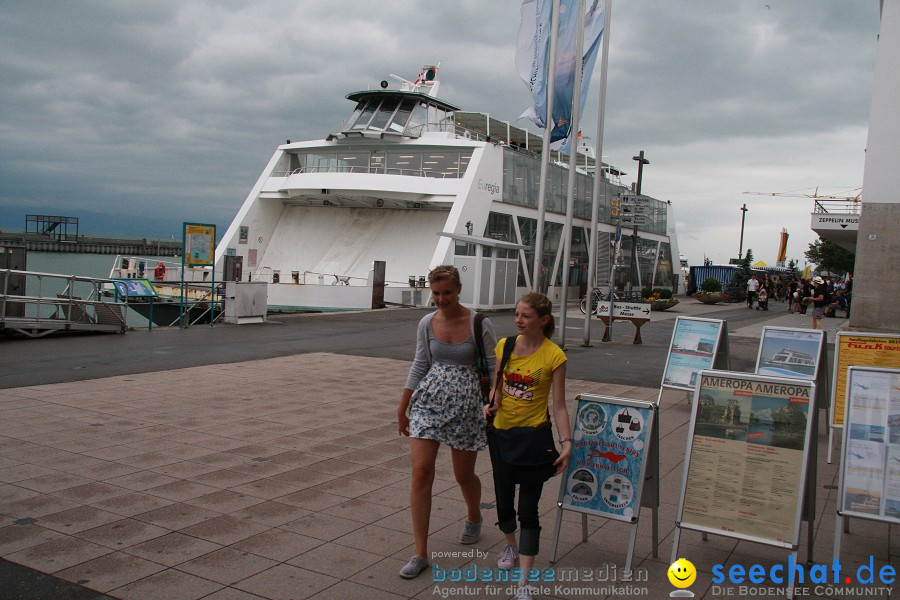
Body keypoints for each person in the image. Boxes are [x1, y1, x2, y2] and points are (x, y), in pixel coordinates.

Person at [397, 265, 497, 579]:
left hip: (467, 405)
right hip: (429, 401)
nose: (441, 299)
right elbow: (420, 363)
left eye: (447, 293)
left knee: (463, 474)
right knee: (421, 472)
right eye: (436, 293)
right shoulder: (427, 322)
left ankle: (473, 515)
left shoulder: (479, 321)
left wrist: (493, 403)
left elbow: (494, 368)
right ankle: (420, 553)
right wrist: (403, 407)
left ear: (458, 290)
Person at [483, 293, 572, 600]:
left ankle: (524, 583)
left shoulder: (553, 355)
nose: (518, 320)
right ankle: (510, 543)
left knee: (528, 510)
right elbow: (496, 385)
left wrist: (566, 443)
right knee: (504, 503)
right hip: (501, 436)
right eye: (517, 314)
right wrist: (490, 405)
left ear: (543, 320)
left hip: (534, 439)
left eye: (525, 316)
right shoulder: (505, 346)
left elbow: (558, 406)